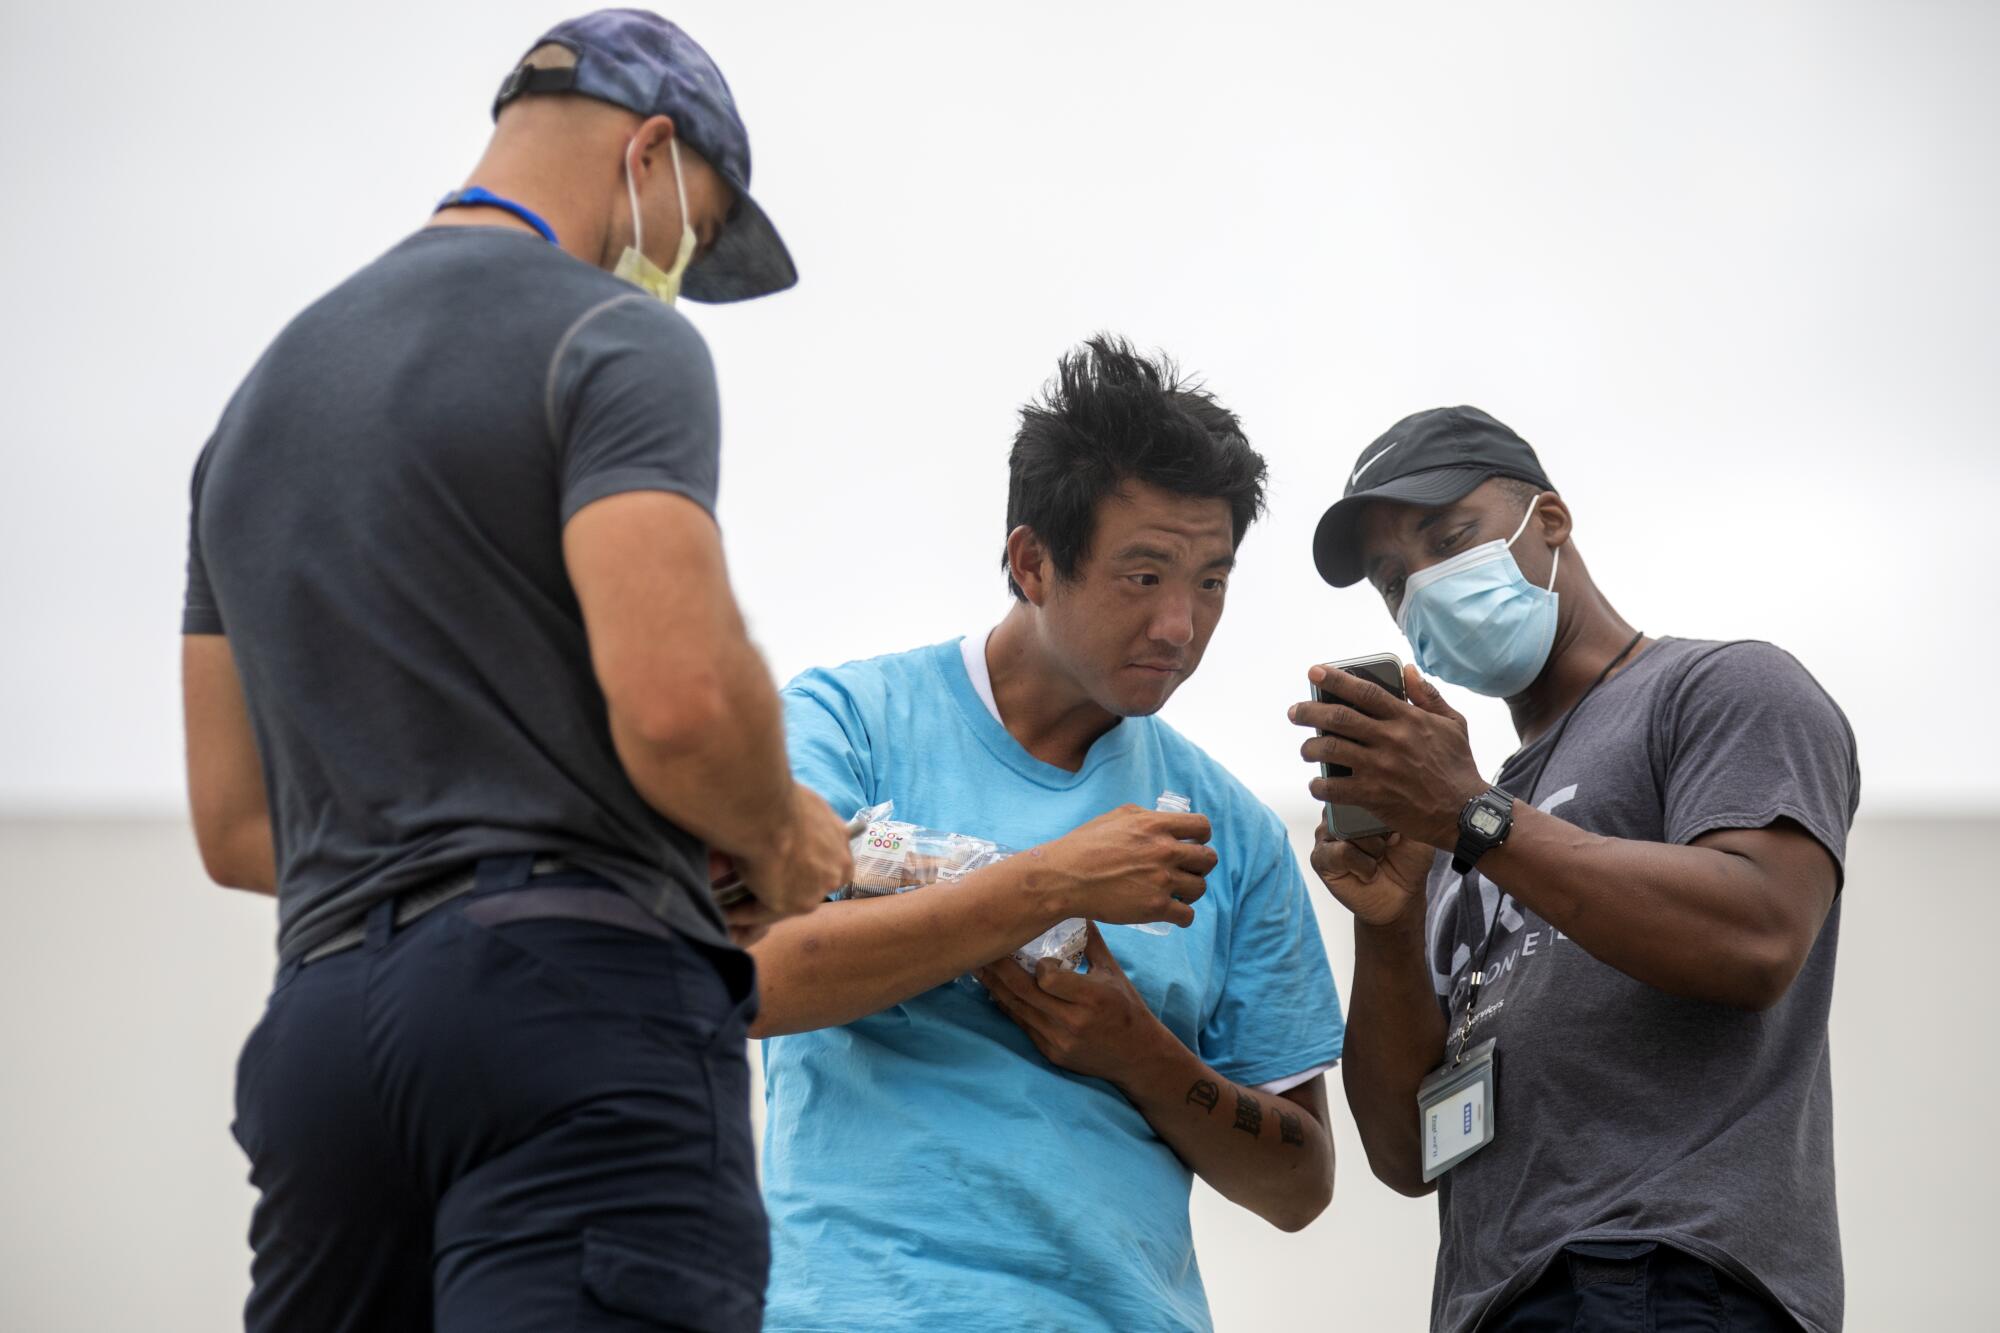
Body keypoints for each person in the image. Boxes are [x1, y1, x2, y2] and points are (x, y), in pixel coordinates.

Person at [179, 12, 851, 1331]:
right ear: (649, 152)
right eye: (699, 231)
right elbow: (677, 706)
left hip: (323, 1037)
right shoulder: (612, 338)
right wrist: (783, 846)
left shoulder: (253, 410)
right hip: (568, 1014)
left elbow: (235, 822)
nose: (677, 266)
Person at [747, 337, 1345, 1332]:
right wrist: (1053, 882)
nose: (1178, 625)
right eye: (1142, 574)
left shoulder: (1233, 830)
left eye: (1209, 580)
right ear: (1031, 561)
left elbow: (1298, 1182)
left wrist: (1135, 1050)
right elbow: (754, 976)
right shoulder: (843, 721)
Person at [1292, 406, 1859, 1333]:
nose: (1425, 587)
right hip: (1493, 1301)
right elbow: (1403, 1153)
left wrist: (1467, 812)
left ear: (1548, 520)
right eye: (1395, 580)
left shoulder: (1723, 688)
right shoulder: (1459, 813)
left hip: (1671, 1273)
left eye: (1451, 537)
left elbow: (1756, 935)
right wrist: (1388, 921)